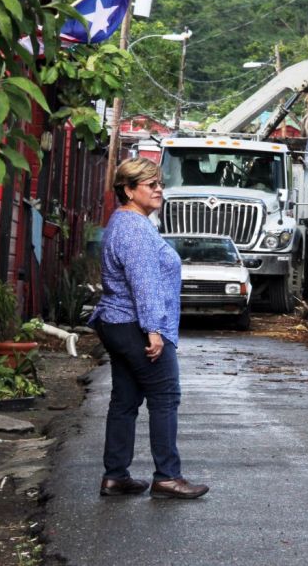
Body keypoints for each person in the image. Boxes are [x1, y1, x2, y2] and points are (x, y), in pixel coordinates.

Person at [88, 158, 209, 500]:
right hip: (136, 325)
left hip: (117, 323)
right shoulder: (136, 229)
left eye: (159, 183)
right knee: (165, 397)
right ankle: (168, 476)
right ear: (128, 190)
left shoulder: (121, 222)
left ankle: (115, 476)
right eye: (149, 184)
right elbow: (144, 283)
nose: (158, 189)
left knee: (125, 400)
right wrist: (154, 330)